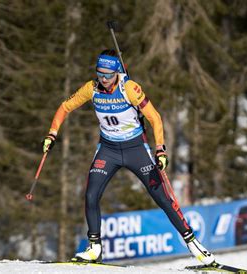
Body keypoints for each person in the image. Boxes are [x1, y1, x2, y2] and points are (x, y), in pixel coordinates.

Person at [42, 49, 215, 265]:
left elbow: (155, 118)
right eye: (100, 74)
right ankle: (94, 247)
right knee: (91, 195)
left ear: (117, 72)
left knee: (162, 198)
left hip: (136, 150)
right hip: (108, 150)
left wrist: (160, 149)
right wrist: (52, 133)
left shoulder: (129, 88)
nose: (103, 79)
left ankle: (194, 246)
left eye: (108, 75)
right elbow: (65, 107)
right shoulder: (92, 88)